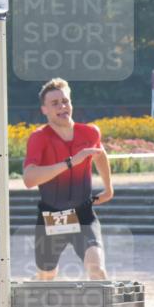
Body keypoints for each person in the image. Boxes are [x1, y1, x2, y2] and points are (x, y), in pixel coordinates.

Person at [23, 78, 113, 281]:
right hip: (52, 216)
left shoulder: (90, 132)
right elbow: (29, 179)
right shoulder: (39, 138)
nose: (62, 107)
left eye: (65, 101)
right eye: (55, 103)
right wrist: (70, 163)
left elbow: (100, 154)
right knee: (47, 276)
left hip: (83, 213)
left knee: (97, 269)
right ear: (44, 109)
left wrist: (108, 188)